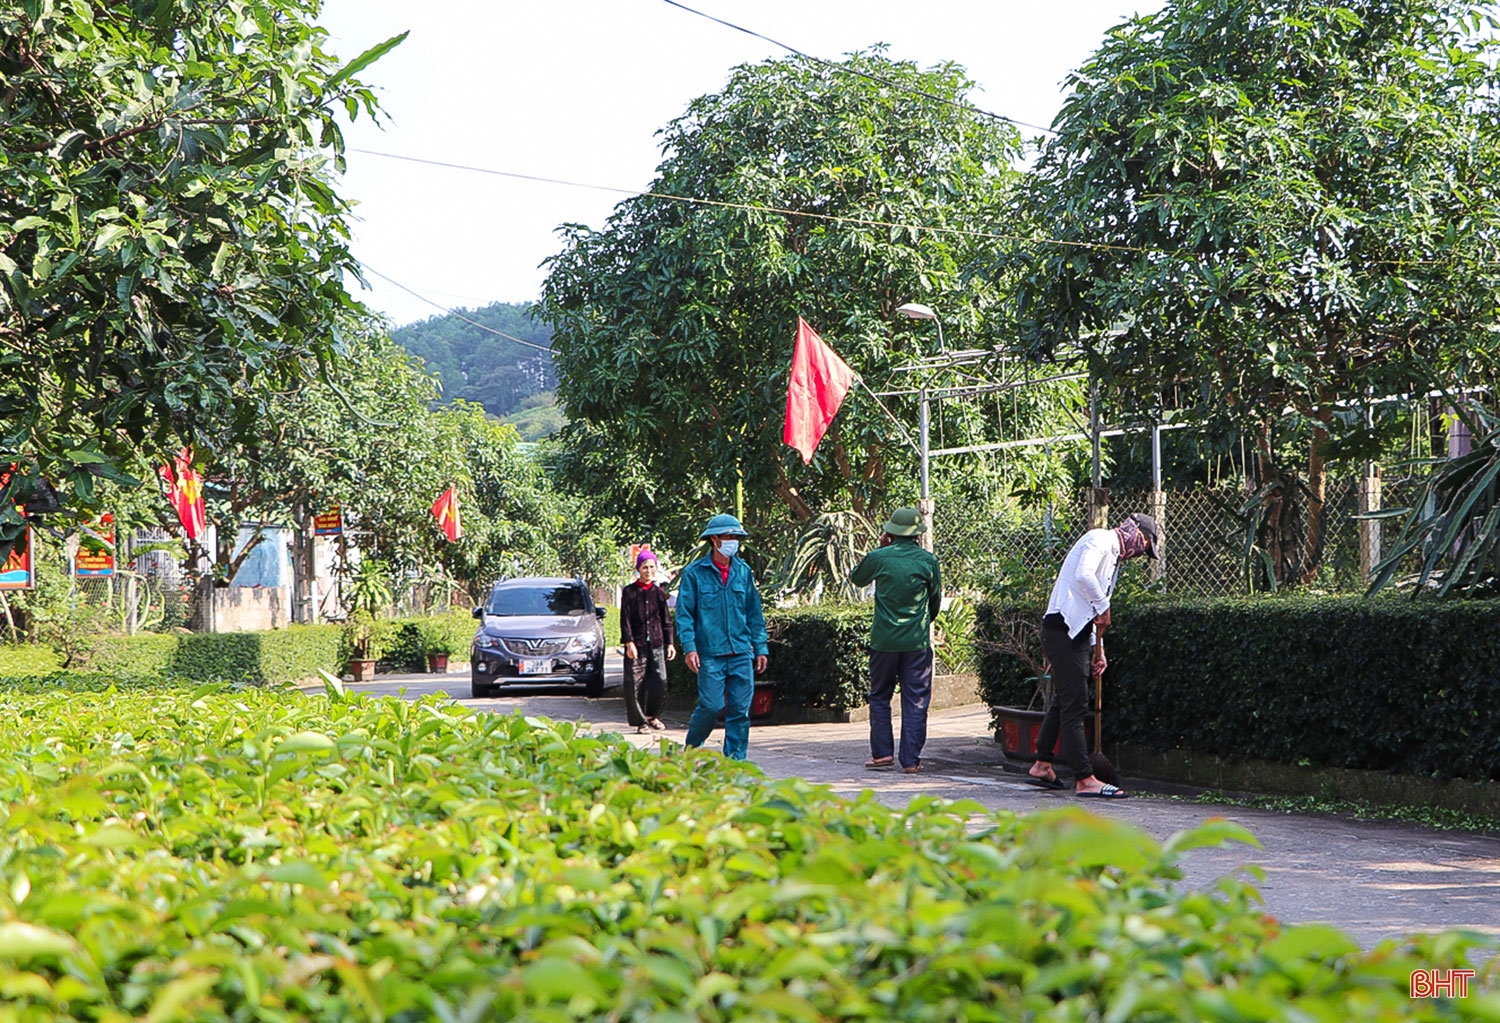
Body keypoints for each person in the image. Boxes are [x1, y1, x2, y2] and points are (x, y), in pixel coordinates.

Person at [1029, 512, 1162, 798]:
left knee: (1065, 701)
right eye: (1145, 546)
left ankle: (1042, 764)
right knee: (1075, 705)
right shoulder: (1099, 540)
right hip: (1061, 629)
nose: (1140, 554)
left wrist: (1098, 649)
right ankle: (1084, 778)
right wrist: (1104, 607)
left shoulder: (1113, 558)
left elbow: (1091, 610)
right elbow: (1083, 577)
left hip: (1074, 632)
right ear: (1135, 533)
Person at [849, 507, 942, 774]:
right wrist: (922, 623)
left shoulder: (879, 557)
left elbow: (857, 578)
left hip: (883, 642)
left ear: (890, 532)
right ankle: (911, 761)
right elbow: (934, 601)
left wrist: (880, 548)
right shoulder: (927, 561)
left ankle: (882, 754)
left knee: (879, 696)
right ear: (916, 534)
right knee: (915, 701)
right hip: (916, 643)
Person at [676, 513, 769, 761]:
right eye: (728, 536)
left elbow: (754, 612)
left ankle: (735, 761)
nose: (733, 541)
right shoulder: (695, 573)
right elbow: (685, 615)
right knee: (711, 705)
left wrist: (761, 647)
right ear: (714, 539)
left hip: (740, 651)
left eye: (736, 537)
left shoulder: (743, 572)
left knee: (740, 710)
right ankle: (692, 748)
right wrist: (689, 648)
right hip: (710, 654)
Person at [620, 547, 674, 733]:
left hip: (657, 644)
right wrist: (629, 643)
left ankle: (653, 716)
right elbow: (625, 619)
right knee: (635, 683)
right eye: (645, 567)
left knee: (660, 680)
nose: (649, 571)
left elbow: (666, 620)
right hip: (636, 645)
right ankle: (640, 722)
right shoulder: (629, 592)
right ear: (638, 569)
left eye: (652, 567)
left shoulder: (659, 593)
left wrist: (670, 643)